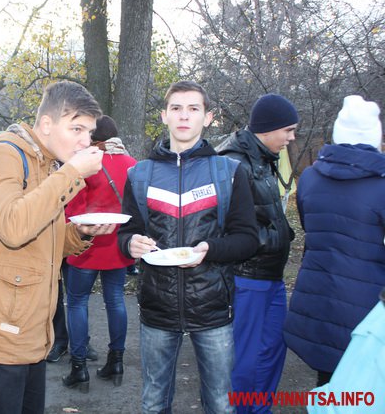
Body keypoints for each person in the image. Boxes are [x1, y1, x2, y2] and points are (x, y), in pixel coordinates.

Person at [0, 80, 114, 413]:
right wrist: (72, 173)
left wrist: (80, 232)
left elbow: (41, 243)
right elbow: (14, 227)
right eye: (77, 129)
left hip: (29, 333)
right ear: (46, 124)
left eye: (89, 131)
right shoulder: (4, 154)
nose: (86, 141)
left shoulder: (46, 166)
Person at [117, 81, 259, 414]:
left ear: (208, 117)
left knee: (221, 403)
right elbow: (127, 232)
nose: (184, 116)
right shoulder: (139, 175)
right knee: (153, 403)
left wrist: (211, 249)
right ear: (164, 115)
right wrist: (130, 243)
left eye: (193, 109)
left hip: (213, 308)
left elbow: (248, 239)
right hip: (156, 307)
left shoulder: (229, 173)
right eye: (177, 108)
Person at [283, 95, 385, 386]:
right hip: (367, 306)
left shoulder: (311, 178)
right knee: (367, 388)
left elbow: (310, 226)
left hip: (319, 297)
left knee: (328, 383)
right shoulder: (381, 184)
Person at [216, 93, 298, 413]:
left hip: (272, 276)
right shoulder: (234, 161)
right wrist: (266, 240)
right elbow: (222, 225)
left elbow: (265, 211)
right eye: (288, 130)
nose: (291, 138)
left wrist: (283, 233)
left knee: (274, 348)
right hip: (247, 277)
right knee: (246, 358)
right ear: (268, 128)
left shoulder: (264, 157)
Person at [62, 115, 137, 391]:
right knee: (115, 301)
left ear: (94, 139)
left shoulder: (88, 164)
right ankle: (115, 361)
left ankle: (78, 367)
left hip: (86, 245)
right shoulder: (132, 164)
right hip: (117, 245)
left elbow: (73, 211)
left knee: (77, 302)